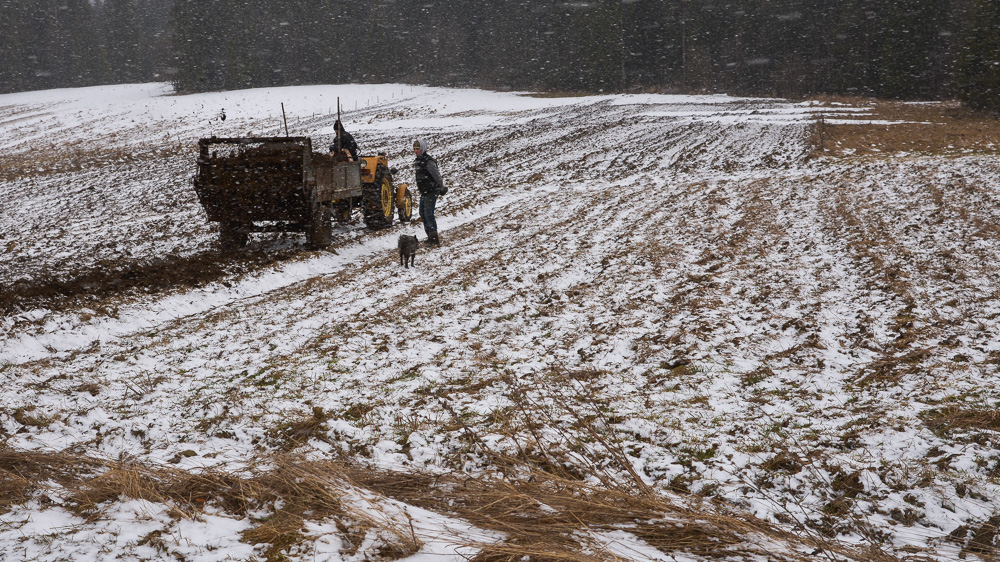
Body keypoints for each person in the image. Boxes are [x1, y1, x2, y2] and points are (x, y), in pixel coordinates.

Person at [413, 138, 445, 247]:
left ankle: (434, 240)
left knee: (428, 213)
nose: (416, 151)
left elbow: (436, 175)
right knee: (422, 212)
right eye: (415, 149)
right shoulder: (418, 160)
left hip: (431, 190)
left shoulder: (428, 161)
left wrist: (441, 186)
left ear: (423, 148)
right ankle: (429, 237)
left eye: (418, 148)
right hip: (425, 191)